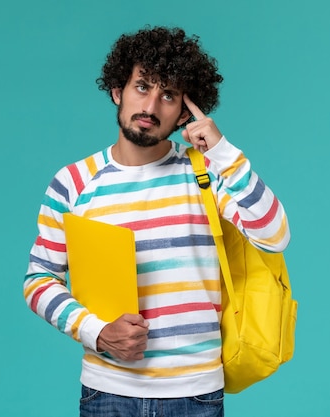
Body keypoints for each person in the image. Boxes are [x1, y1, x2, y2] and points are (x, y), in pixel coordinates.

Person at [24, 26, 290, 417]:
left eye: (168, 94)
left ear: (185, 110)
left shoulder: (206, 173)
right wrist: (96, 332)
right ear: (118, 90)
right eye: (142, 86)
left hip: (196, 394)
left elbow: (274, 235)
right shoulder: (73, 183)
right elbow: (38, 280)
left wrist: (223, 152)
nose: (151, 106)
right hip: (107, 392)